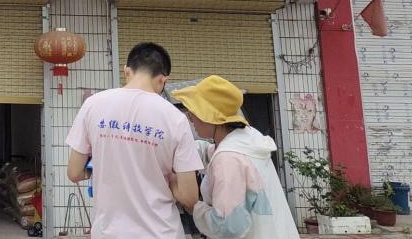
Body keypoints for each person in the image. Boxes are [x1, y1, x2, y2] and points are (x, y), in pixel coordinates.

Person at [66, 42, 203, 238]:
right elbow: (189, 197)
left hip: (108, 233)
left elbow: (74, 173)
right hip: (161, 233)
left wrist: (94, 168)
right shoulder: (175, 118)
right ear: (163, 80)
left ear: (126, 71)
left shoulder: (93, 105)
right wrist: (171, 182)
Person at [171, 75, 299, 239]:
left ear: (210, 117)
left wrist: (194, 207)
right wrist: (182, 150)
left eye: (192, 114)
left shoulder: (228, 158)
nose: (191, 120)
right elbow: (210, 152)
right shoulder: (248, 139)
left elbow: (229, 227)